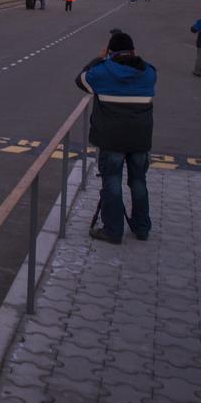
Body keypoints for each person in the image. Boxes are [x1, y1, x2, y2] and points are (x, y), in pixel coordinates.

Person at [75, 30, 157, 244]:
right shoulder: (149, 73)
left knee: (112, 182)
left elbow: (81, 80)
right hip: (140, 137)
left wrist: (99, 58)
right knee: (139, 181)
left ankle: (113, 230)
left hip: (111, 138)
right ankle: (141, 227)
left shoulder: (102, 72)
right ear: (133, 51)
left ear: (110, 52)